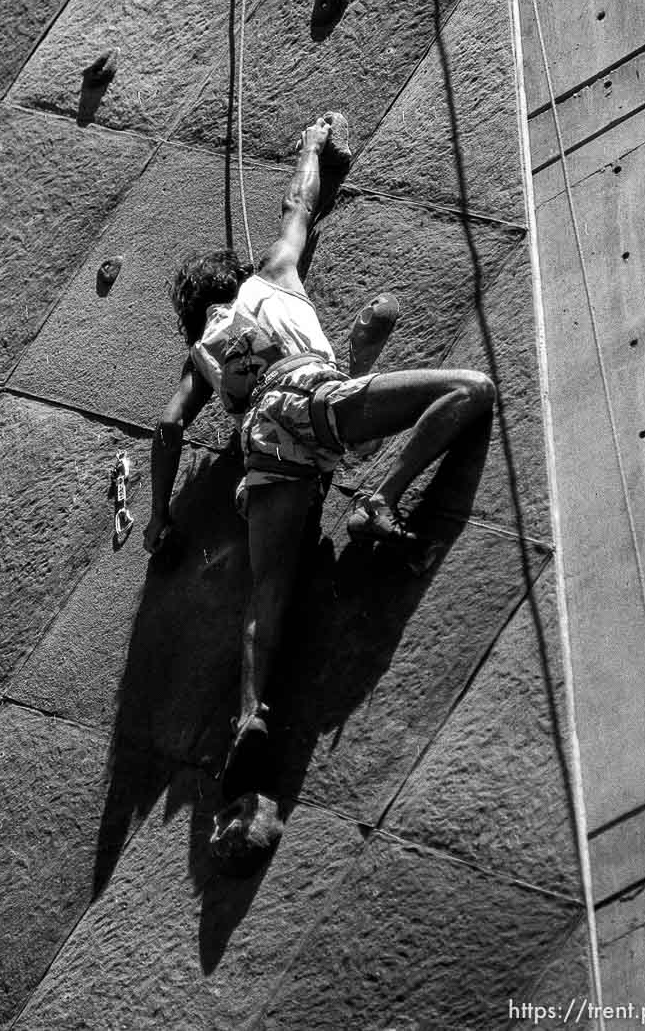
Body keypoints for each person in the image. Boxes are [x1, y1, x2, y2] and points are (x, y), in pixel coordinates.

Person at [145, 116, 495, 798]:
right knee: (468, 390)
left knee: (267, 590)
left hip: (264, 441)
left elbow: (166, 428)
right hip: (312, 397)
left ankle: (250, 713)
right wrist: (316, 144)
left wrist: (159, 519)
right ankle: (382, 497)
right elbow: (299, 205)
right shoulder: (273, 271)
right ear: (238, 275)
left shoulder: (203, 356)